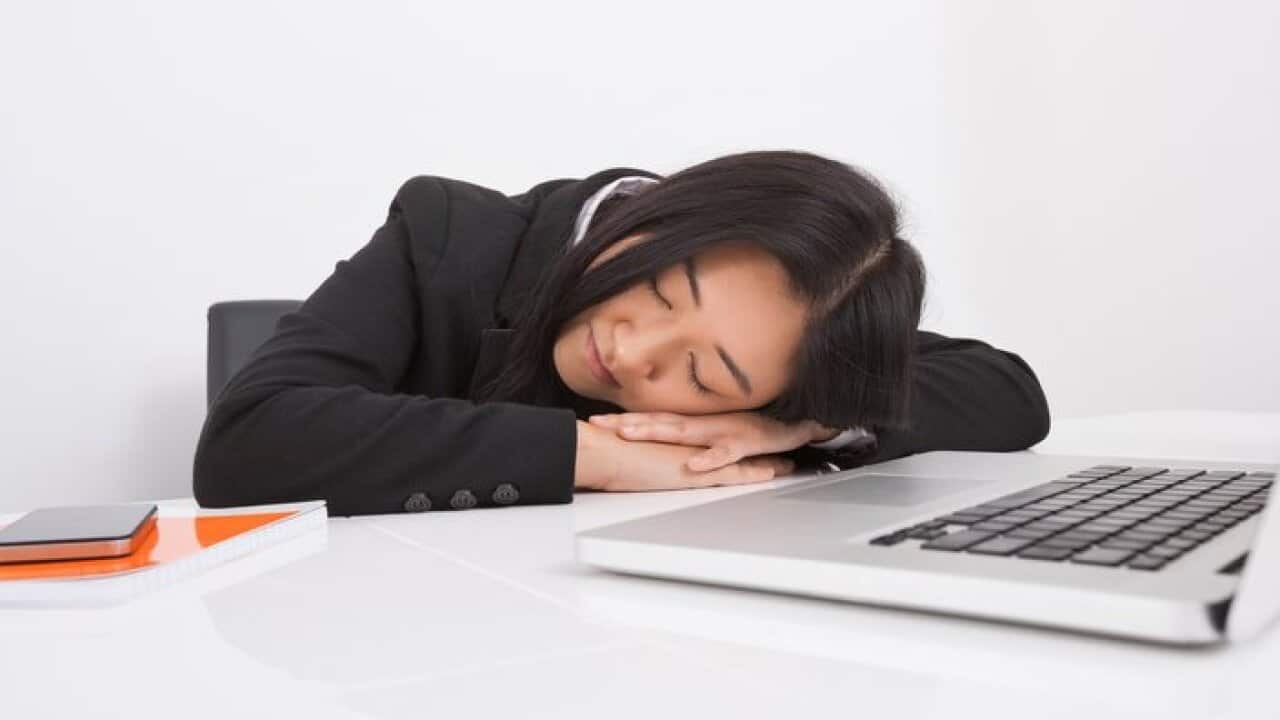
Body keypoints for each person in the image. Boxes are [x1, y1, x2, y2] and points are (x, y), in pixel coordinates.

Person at [193, 150, 1051, 517]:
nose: (632, 352)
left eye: (705, 379)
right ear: (659, 215)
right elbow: (249, 441)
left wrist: (791, 424)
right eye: (660, 291)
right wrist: (606, 456)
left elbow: (1010, 391)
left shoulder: (800, 348)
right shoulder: (444, 232)